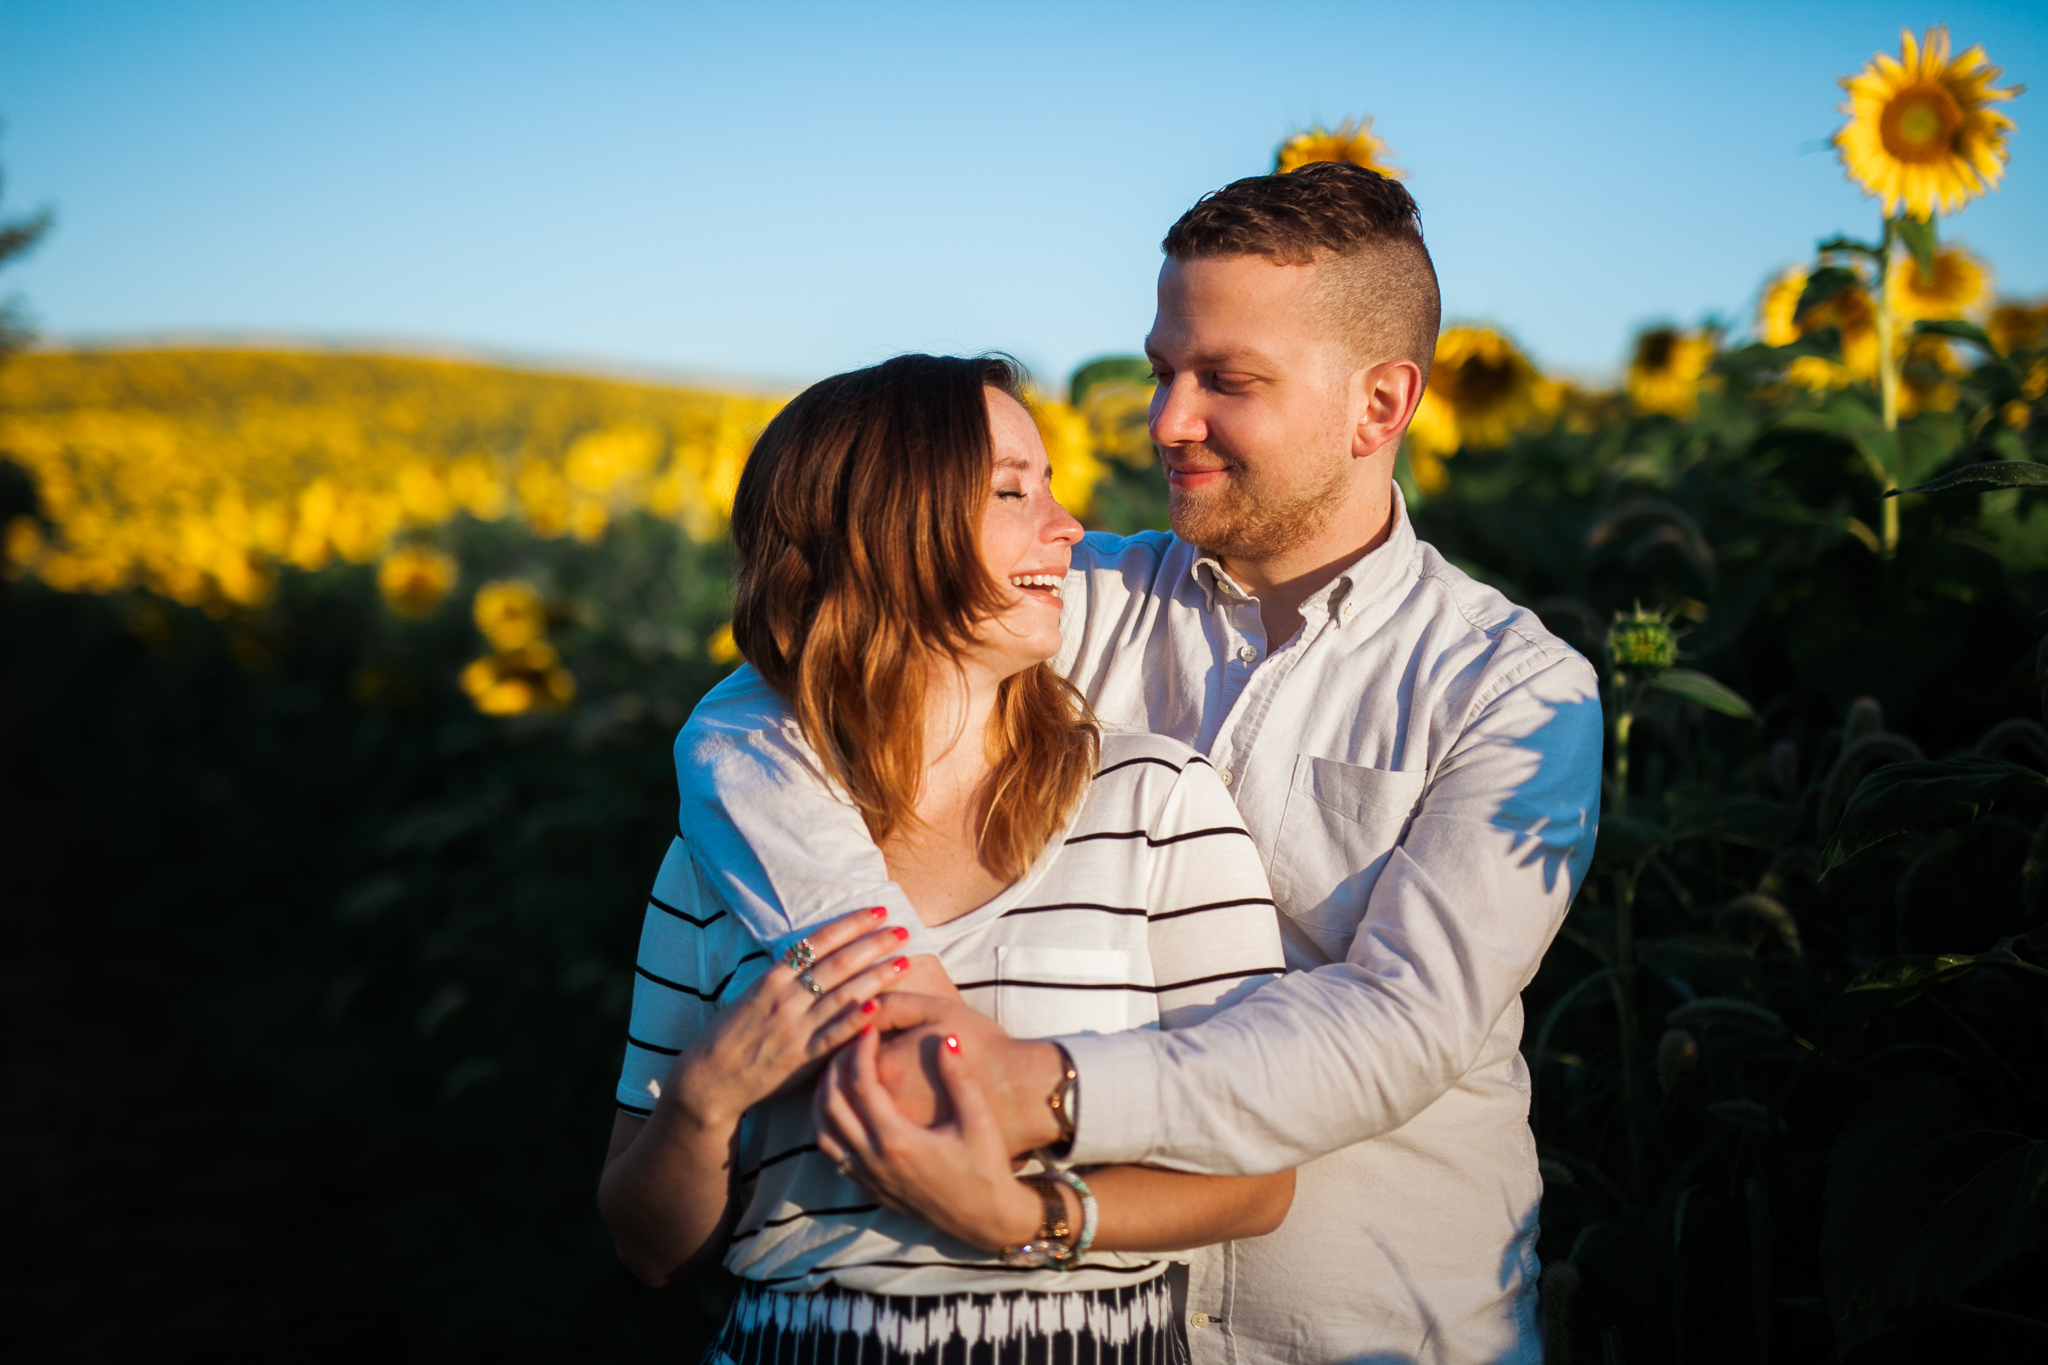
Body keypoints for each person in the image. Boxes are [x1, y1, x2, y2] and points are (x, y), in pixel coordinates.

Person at [669, 162, 1604, 1363]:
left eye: (1226, 380)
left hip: (1369, 1332)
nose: (1165, 419)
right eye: (1165, 369)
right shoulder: (1076, 598)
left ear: (1379, 407)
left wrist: (1052, 1091)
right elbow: (751, 714)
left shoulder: (1514, 693)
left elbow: (1400, 1026)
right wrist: (889, 981)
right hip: (1081, 1329)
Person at [598, 353, 1294, 1364]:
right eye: (1012, 491)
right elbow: (646, 1247)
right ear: (880, 533)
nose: (1066, 528)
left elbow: (1255, 1178)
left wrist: (1021, 1213)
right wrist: (704, 1102)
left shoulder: (1155, 806)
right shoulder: (721, 855)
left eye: (1049, 486)